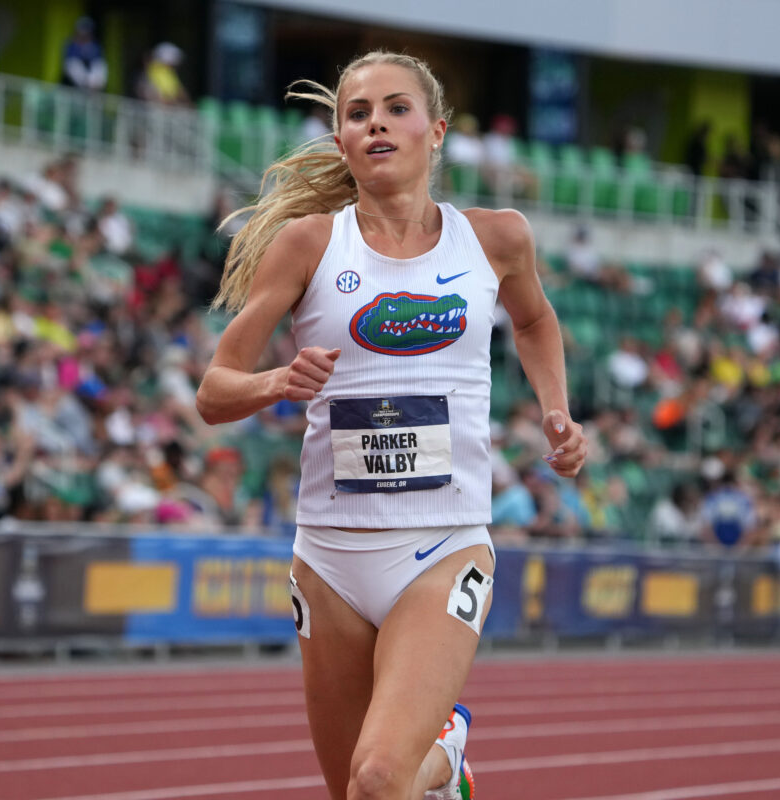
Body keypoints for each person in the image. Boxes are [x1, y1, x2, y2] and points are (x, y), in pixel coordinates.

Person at [195, 51, 586, 800]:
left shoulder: (496, 238)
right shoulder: (308, 244)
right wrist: (277, 381)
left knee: (379, 778)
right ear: (340, 141)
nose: (375, 121)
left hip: (443, 545)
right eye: (356, 112)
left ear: (436, 131)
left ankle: (445, 752)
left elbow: (535, 320)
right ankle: (444, 778)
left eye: (395, 107)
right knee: (359, 793)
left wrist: (555, 410)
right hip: (331, 558)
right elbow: (214, 391)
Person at [61, 17, 107, 91]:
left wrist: (96, 81)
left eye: (87, 33)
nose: (84, 35)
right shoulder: (71, 46)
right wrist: (85, 81)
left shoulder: (95, 47)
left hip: (93, 89)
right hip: (72, 88)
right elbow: (71, 66)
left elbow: (100, 66)